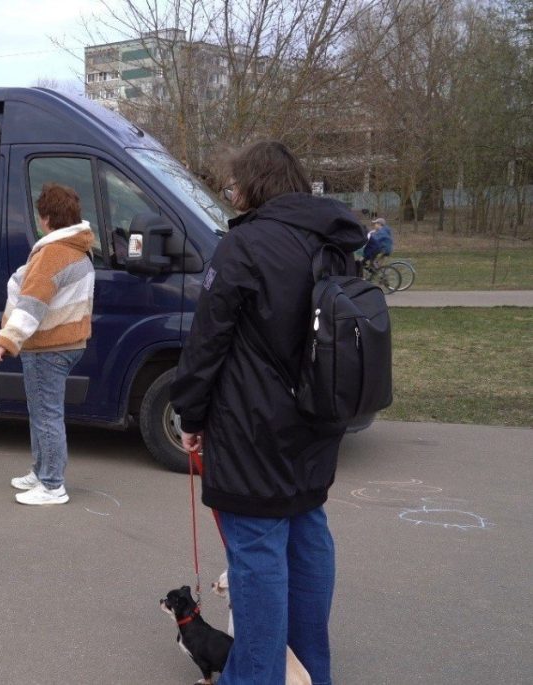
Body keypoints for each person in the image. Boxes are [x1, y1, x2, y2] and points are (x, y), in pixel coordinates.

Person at [170, 141, 366, 685]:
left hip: (251, 425)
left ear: (253, 186)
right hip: (318, 417)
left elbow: (207, 339)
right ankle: (310, 671)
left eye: (234, 185)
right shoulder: (334, 241)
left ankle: (257, 677)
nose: (232, 193)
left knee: (257, 547)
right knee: (306, 532)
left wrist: (189, 414)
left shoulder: (245, 244)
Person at [0, 183, 95, 505]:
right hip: (71, 342)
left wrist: (4, 342)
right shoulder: (79, 250)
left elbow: (32, 304)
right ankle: (40, 471)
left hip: (48, 346)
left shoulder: (52, 254)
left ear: (45, 218)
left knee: (46, 416)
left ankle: (52, 485)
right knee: (42, 413)